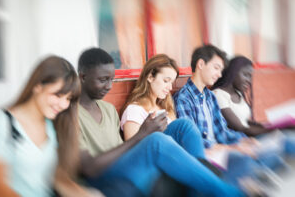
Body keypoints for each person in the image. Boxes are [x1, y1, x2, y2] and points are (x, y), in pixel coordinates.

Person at [77, 48, 244, 197]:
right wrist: (143, 134)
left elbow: (122, 151)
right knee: (156, 140)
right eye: (103, 79)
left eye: (111, 80)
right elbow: (89, 168)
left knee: (184, 125)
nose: (109, 86)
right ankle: (231, 193)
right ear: (83, 77)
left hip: (121, 165)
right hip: (99, 177)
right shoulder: (71, 115)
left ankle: (198, 189)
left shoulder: (108, 109)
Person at [173, 45, 295, 178]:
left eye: (221, 70)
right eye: (216, 68)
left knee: (274, 154)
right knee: (247, 161)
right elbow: (194, 143)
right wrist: (233, 148)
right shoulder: (183, 99)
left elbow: (222, 131)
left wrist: (243, 141)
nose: (219, 74)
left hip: (222, 151)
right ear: (201, 64)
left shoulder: (210, 96)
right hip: (206, 156)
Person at [0, 56, 102, 197]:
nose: (64, 105)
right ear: (38, 86)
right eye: (58, 95)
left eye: (68, 98)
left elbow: (56, 179)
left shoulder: (52, 125)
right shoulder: (1, 122)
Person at [211, 55, 270, 136]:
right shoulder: (219, 95)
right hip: (238, 140)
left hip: (249, 137)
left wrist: (269, 126)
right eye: (246, 75)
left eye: (250, 77)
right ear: (233, 72)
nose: (249, 81)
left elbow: (245, 122)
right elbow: (240, 128)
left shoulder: (238, 93)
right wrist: (275, 130)